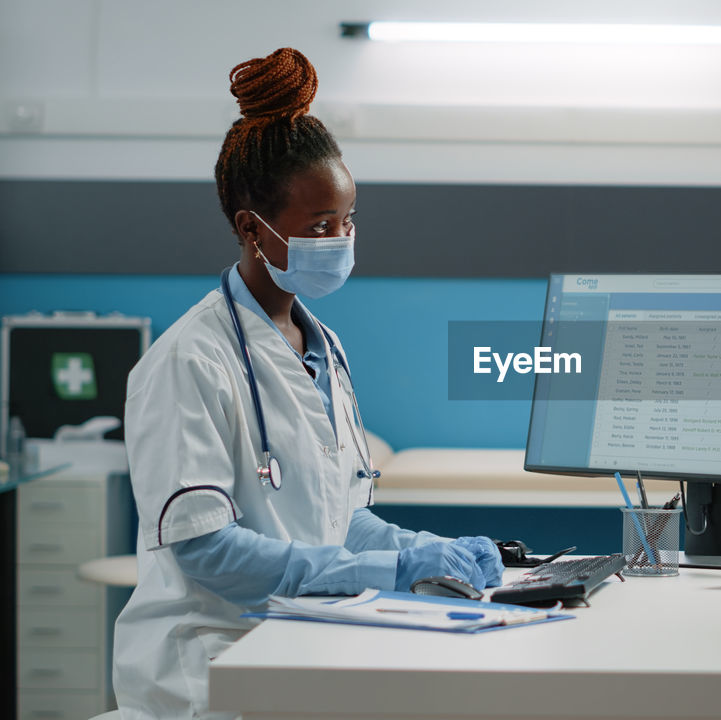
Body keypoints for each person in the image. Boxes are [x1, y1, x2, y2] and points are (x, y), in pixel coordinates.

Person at [113, 48, 505, 720]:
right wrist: (384, 575)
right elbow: (207, 549)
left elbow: (336, 518)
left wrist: (422, 551)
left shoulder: (323, 350)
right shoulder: (188, 361)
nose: (341, 240)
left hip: (307, 646)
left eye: (348, 222)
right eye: (319, 228)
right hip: (213, 668)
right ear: (251, 230)